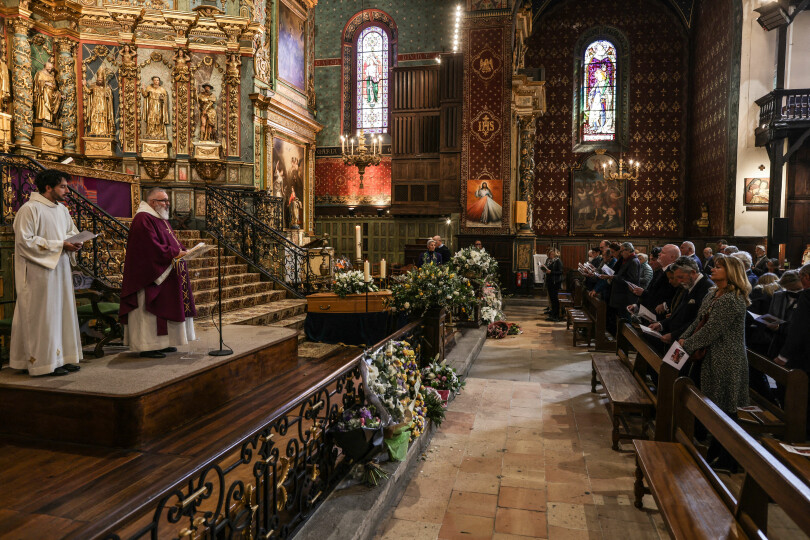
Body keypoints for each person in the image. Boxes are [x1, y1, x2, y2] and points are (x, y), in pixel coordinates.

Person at [10, 169, 83, 376]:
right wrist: (61, 245)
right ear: (48, 187)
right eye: (63, 186)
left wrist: (75, 242)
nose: (67, 190)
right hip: (38, 274)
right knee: (43, 316)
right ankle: (43, 363)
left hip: (60, 269)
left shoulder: (62, 210)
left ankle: (61, 357)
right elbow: (25, 242)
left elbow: (71, 231)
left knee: (61, 313)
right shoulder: (30, 209)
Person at [119, 187, 197, 358]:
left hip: (166, 272)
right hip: (149, 276)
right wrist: (173, 253)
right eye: (164, 200)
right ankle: (148, 346)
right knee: (149, 312)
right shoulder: (143, 219)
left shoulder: (159, 218)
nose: (167, 204)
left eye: (167, 200)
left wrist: (184, 250)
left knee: (165, 307)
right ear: (153, 202)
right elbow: (149, 248)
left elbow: (172, 242)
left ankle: (163, 343)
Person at [679, 256, 750, 413]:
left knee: (719, 407)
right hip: (706, 353)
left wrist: (688, 344)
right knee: (701, 400)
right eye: (714, 266)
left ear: (731, 272)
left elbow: (712, 330)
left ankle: (716, 437)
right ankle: (700, 434)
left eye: (718, 267)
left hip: (724, 357)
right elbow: (698, 321)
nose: (713, 269)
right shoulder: (712, 294)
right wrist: (682, 338)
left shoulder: (732, 299)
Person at [649, 257, 714, 343]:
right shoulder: (689, 283)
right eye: (677, 278)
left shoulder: (707, 287)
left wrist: (675, 335)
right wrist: (661, 324)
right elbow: (680, 311)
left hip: (686, 340)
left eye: (681, 277)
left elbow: (697, 320)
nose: (679, 281)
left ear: (693, 272)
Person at [542, 248, 564, 321]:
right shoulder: (549, 260)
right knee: (551, 298)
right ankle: (552, 313)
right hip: (550, 281)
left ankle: (556, 316)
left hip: (556, 282)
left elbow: (560, 272)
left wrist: (551, 272)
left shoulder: (558, 261)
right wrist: (544, 268)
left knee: (555, 299)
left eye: (552, 254)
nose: (550, 255)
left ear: (555, 254)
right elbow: (547, 268)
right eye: (550, 254)